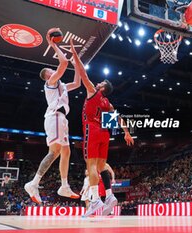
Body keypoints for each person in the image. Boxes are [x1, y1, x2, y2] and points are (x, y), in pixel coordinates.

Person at [71, 40, 134, 217]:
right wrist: (127, 132)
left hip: (92, 129)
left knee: (90, 164)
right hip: (104, 133)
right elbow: (118, 118)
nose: (97, 82)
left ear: (103, 87)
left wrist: (75, 55)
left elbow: (82, 72)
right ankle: (110, 196)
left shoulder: (93, 91)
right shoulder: (107, 103)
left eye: (100, 83)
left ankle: (95, 199)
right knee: (101, 166)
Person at [24, 28, 81, 204]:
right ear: (48, 74)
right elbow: (63, 63)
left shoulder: (62, 85)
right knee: (55, 151)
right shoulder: (50, 82)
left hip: (61, 119)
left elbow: (77, 83)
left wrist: (78, 62)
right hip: (55, 116)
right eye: (51, 69)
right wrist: (53, 45)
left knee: (66, 151)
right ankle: (33, 183)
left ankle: (64, 185)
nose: (53, 70)